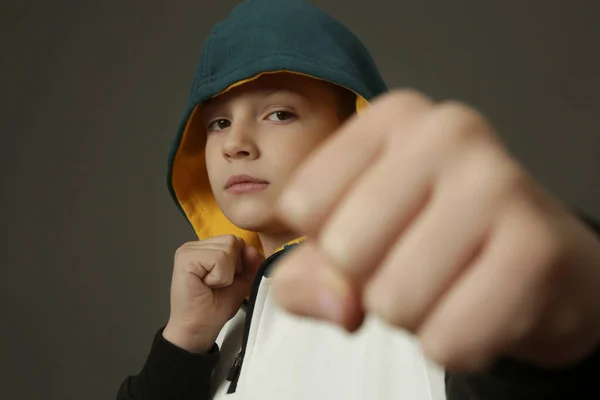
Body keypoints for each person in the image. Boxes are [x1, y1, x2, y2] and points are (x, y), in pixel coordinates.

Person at [117, 0, 600, 399]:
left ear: (353, 134)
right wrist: (181, 345)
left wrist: (569, 319)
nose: (233, 142)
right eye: (217, 123)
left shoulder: (420, 291)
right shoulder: (211, 334)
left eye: (279, 113)